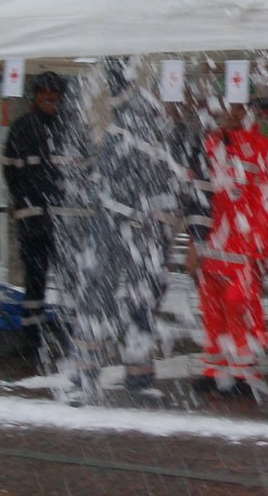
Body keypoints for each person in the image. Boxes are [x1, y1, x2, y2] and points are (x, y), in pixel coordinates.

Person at [65, 59, 184, 402]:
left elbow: (168, 190)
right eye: (173, 99)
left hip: (139, 229)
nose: (177, 106)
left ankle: (134, 371)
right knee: (102, 295)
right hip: (115, 222)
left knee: (138, 298)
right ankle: (88, 372)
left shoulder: (164, 134)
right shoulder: (136, 118)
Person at [186, 98, 268, 395]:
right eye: (226, 107)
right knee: (212, 311)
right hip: (212, 245)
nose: (230, 113)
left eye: (237, 106)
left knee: (239, 310)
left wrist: (258, 249)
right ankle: (215, 370)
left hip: (243, 248)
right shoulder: (209, 144)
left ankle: (242, 374)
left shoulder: (263, 148)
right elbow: (196, 196)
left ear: (249, 109)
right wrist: (194, 242)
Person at [2, 72, 77, 352]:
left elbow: (82, 171)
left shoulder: (70, 128)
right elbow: (9, 171)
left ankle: (70, 333)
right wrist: (24, 203)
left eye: (54, 95)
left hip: (63, 219)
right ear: (35, 97)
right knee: (34, 278)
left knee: (68, 277)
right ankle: (32, 334)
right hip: (32, 219)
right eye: (44, 94)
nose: (50, 99)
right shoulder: (21, 127)